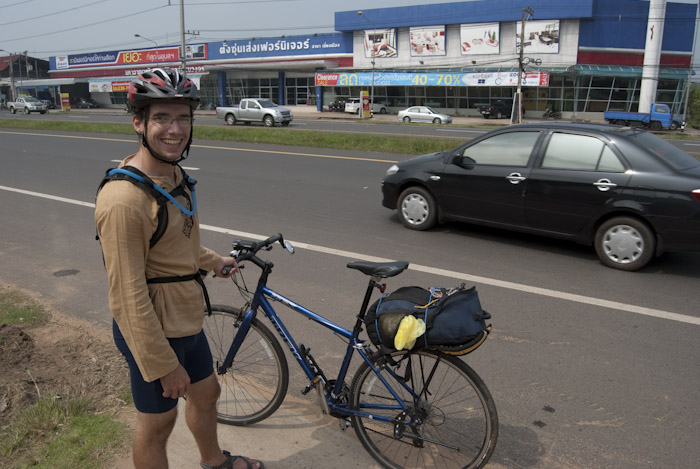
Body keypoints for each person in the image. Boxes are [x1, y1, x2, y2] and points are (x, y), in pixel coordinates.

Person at [95, 68, 264, 469]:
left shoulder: (175, 176)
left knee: (206, 395)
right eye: (162, 118)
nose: (175, 130)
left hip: (185, 318)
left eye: (183, 118)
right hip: (152, 328)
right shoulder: (123, 200)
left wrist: (213, 261)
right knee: (159, 425)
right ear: (138, 122)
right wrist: (162, 364)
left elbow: (179, 243)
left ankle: (214, 461)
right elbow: (126, 295)